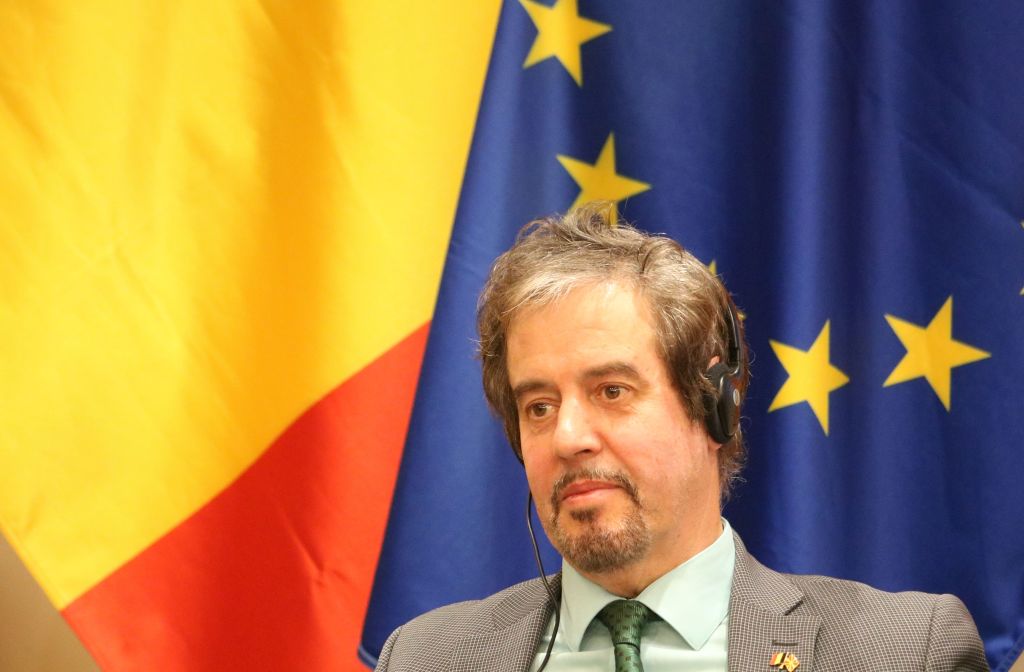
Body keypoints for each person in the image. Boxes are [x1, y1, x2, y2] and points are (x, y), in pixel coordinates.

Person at [374, 203, 988, 672]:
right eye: (539, 406)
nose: (567, 436)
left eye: (611, 391)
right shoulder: (426, 658)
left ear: (714, 406)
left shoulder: (902, 650)